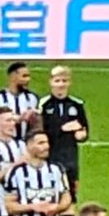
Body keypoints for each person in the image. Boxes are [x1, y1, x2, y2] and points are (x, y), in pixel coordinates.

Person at [38, 66, 89, 195]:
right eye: (57, 81)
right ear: (50, 82)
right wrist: (62, 129)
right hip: (50, 154)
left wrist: (81, 135)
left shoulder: (76, 105)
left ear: (69, 82)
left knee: (71, 192)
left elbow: (84, 129)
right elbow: (39, 131)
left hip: (70, 156)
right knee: (50, 191)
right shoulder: (44, 105)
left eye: (64, 81)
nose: (61, 84)